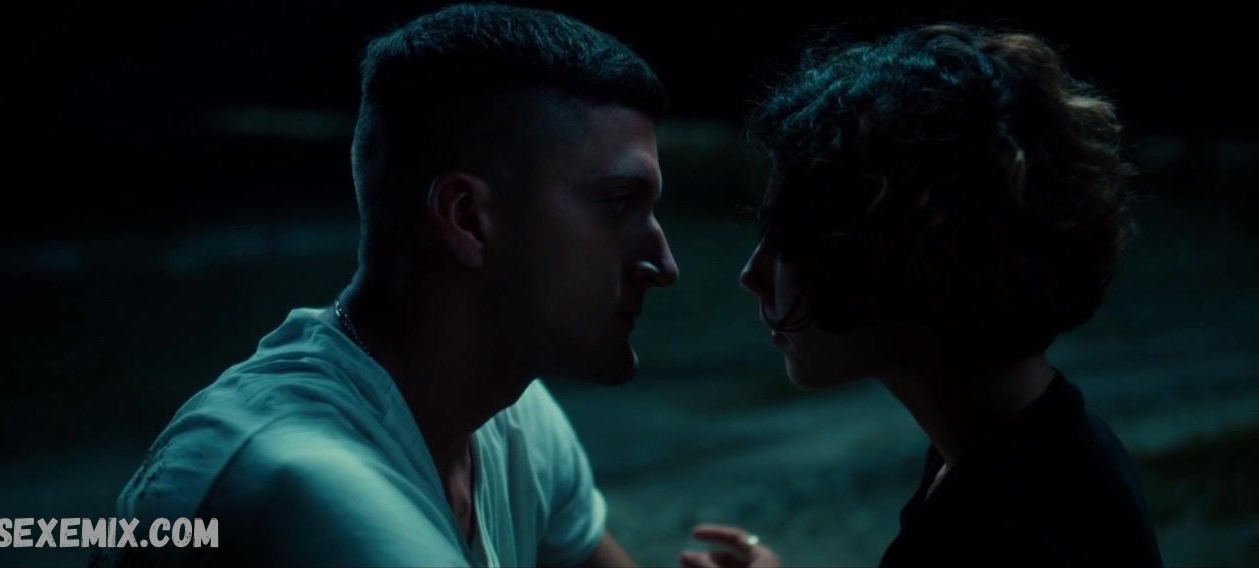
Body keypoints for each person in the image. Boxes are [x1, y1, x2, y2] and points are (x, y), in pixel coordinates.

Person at [96, 4, 678, 566]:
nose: (663, 263)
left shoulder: (514, 419)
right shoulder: (309, 488)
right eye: (618, 203)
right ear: (468, 219)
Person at [682, 23, 1162, 568]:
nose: (751, 274)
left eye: (789, 239)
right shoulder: (1033, 448)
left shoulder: (1001, 530)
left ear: (895, 256)